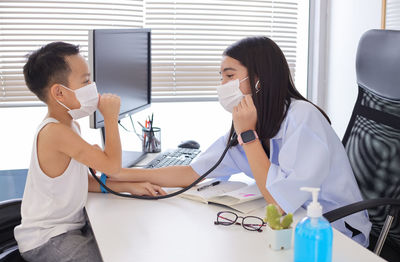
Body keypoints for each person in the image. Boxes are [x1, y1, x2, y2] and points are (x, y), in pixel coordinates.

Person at [105, 36, 372, 247]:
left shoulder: (302, 118)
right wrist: (117, 173)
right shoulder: (254, 120)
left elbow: (278, 202)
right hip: (293, 225)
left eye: (229, 76)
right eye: (221, 76)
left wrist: (248, 137)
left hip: (333, 235)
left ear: (258, 80)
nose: (221, 84)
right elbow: (193, 172)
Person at [14, 42, 166, 262]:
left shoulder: (69, 126)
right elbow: (112, 166)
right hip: (48, 238)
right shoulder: (55, 132)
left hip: (67, 228)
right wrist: (111, 118)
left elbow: (80, 181)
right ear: (59, 92)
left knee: (124, 244)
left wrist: (127, 186)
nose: (93, 86)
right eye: (85, 81)